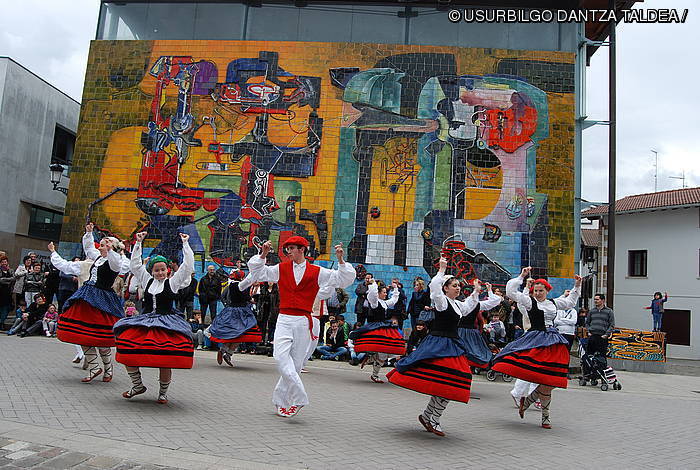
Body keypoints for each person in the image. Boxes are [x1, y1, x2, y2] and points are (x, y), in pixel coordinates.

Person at [247, 236, 355, 418]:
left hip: (303, 321)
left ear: (302, 249)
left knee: (295, 364)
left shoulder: (317, 271)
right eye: (287, 248)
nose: (288, 251)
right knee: (280, 357)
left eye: (291, 248)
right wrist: (263, 254)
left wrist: (341, 260)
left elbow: (343, 279)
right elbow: (257, 274)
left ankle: (281, 402)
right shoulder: (281, 268)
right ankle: (299, 398)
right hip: (284, 318)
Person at [387, 257, 481, 437]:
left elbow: (469, 306)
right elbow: (434, 289)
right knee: (445, 383)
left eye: (459, 286)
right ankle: (434, 419)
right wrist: (442, 270)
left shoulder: (457, 304)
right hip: (440, 344)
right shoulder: (442, 301)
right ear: (446, 288)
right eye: (454, 285)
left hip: (452, 345)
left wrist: (476, 292)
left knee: (447, 384)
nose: (458, 288)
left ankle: (428, 416)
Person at [491, 267, 581, 429]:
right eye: (536, 290)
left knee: (552, 380)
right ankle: (545, 417)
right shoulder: (529, 301)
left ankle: (529, 400)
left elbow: (570, 302)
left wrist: (577, 286)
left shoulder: (553, 303)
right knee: (542, 378)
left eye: (541, 290)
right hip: (536, 339)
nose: (538, 293)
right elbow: (511, 292)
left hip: (553, 341)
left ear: (547, 290)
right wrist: (521, 277)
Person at [113, 231, 194, 404]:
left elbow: (187, 266)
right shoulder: (147, 280)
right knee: (127, 349)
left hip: (167, 323)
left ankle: (163, 392)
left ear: (168, 270)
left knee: (165, 358)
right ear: (152, 271)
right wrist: (138, 242)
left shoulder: (172, 282)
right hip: (145, 321)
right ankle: (137, 385)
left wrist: (186, 244)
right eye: (157, 270)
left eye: (163, 270)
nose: (160, 273)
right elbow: (135, 265)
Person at [51, 224, 125, 383]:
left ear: (112, 247)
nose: (103, 244)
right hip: (86, 296)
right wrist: (89, 233)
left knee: (100, 336)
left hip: (102, 299)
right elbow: (89, 247)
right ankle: (94, 367)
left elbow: (115, 261)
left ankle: (108, 368)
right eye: (103, 242)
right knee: (82, 333)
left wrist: (112, 249)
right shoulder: (98, 258)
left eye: (106, 242)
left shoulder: (114, 261)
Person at [349, 279, 405, 383]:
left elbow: (394, 299)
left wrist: (396, 288)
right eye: (384, 292)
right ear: (379, 293)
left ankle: (372, 358)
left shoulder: (385, 303)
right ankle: (374, 374)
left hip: (385, 327)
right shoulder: (374, 302)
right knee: (383, 352)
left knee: (390, 351)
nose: (385, 294)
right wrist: (373, 284)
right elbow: (372, 295)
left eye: (385, 292)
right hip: (375, 327)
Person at [208, 270, 261, 367]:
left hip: (231, 310)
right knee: (242, 333)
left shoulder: (231, 285)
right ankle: (228, 353)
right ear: (241, 277)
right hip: (241, 312)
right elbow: (247, 298)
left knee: (232, 332)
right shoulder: (241, 286)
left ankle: (223, 350)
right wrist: (253, 300)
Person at [456, 283, 501, 369]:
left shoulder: (474, 304)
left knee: (466, 352)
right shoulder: (458, 303)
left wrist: (489, 290)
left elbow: (495, 301)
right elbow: (494, 301)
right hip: (466, 332)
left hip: (465, 332)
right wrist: (489, 291)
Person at [0, 256, 14, 330]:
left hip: (8, 292)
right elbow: (0, 280)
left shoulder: (10, 270)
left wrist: (5, 280)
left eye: (5, 262)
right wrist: (8, 280)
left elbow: (13, 278)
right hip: (1, 291)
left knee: (6, 308)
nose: (4, 263)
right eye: (2, 262)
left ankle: (2, 322)